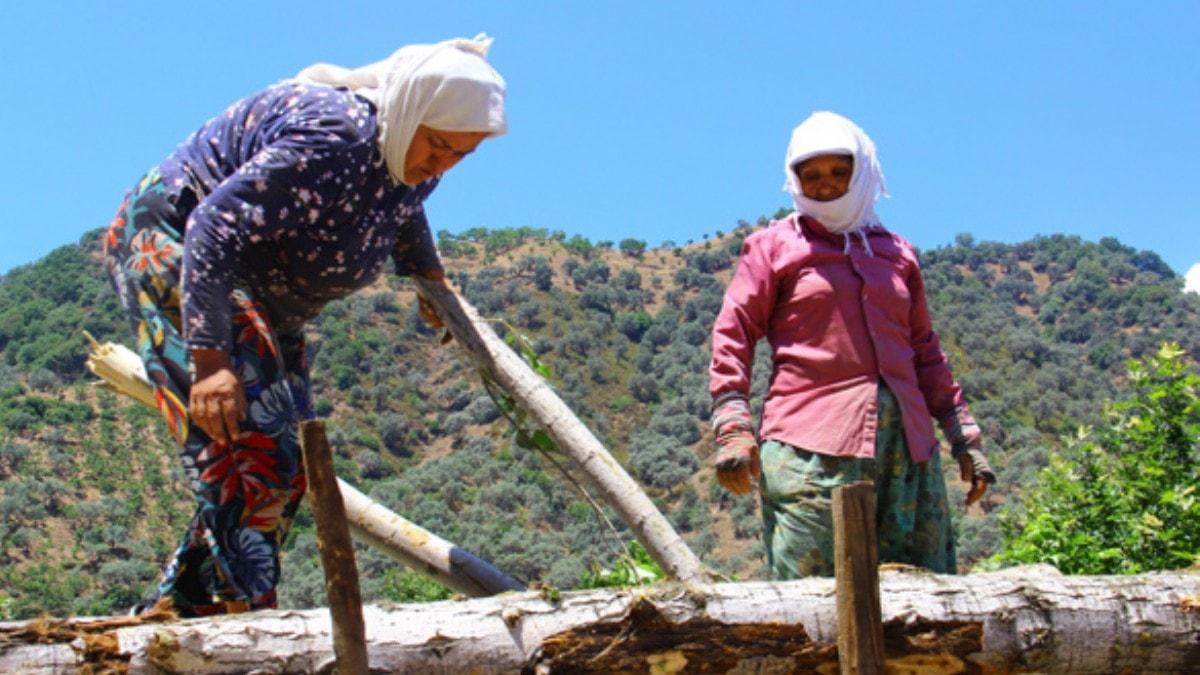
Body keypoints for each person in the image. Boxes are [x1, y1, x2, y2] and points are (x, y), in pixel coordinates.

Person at [102, 35, 506, 616]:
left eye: (460, 155)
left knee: (287, 465)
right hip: (179, 249)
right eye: (438, 145)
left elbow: (404, 207)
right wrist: (211, 361)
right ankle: (232, 615)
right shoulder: (336, 134)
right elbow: (213, 225)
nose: (441, 165)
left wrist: (430, 279)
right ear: (410, 112)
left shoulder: (413, 163)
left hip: (266, 299)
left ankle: (187, 613)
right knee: (253, 454)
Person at [708, 111, 996, 579]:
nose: (825, 186)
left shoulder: (896, 253)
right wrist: (733, 427)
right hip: (810, 455)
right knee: (814, 610)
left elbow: (925, 352)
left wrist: (964, 440)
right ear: (794, 179)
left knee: (921, 604)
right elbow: (734, 331)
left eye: (839, 172)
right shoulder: (774, 247)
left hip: (907, 458)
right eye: (812, 175)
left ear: (861, 171)